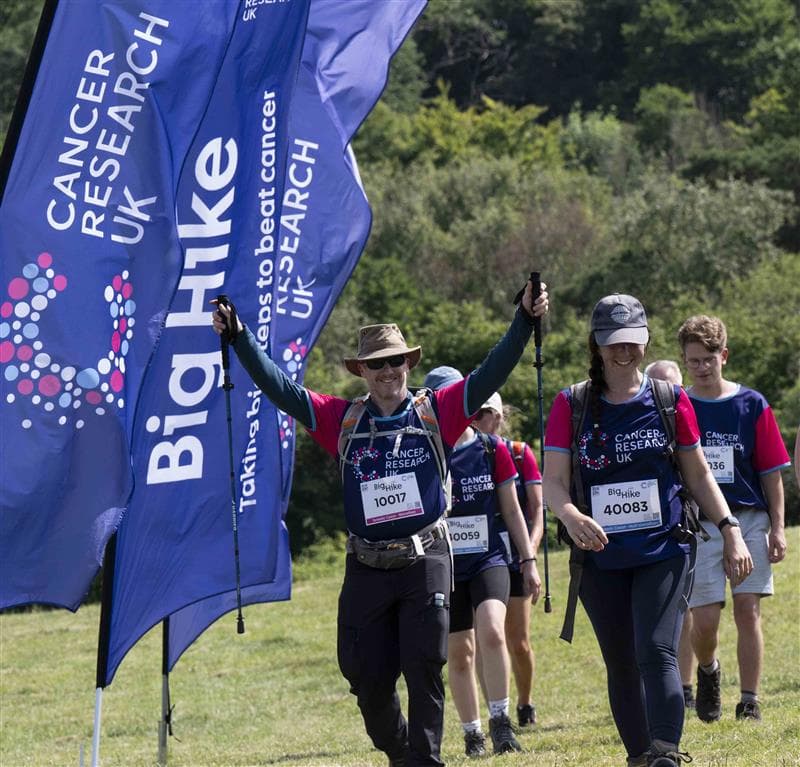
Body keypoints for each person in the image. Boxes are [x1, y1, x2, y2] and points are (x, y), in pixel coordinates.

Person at [212, 279, 548, 767]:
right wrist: (240, 336)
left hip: (426, 558)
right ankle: (401, 750)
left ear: (408, 364)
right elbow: (279, 388)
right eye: (377, 364)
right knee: (364, 678)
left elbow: (493, 367)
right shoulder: (341, 420)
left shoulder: (440, 410)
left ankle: (425, 760)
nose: (388, 371)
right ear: (362, 371)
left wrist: (524, 318)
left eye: (396, 361)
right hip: (366, 564)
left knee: (425, 665)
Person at [543, 294, 752, 767]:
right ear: (596, 346)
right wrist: (572, 517)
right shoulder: (571, 404)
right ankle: (640, 756)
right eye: (613, 343)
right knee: (621, 661)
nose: (624, 352)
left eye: (633, 342)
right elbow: (553, 484)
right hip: (599, 555)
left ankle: (665, 753)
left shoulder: (669, 399)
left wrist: (730, 527)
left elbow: (697, 475)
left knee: (656, 649)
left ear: (645, 342)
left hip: (663, 548)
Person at [677, 315, 791, 723]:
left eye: (709, 359)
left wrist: (777, 527)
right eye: (694, 361)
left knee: (747, 609)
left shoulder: (752, 404)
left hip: (750, 519)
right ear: (684, 362)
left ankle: (750, 699)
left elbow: (771, 472)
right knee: (704, 621)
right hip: (702, 526)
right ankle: (708, 670)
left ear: (723, 355)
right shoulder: (679, 404)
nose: (703, 367)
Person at [423, 367, 536, 757]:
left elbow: (512, 509)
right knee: (460, 652)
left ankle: (501, 722)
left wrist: (529, 559)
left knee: (492, 630)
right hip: (445, 565)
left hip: (489, 558)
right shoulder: (425, 453)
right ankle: (472, 734)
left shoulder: (492, 449)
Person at [472, 392, 543, 728]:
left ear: (499, 417)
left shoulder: (517, 453)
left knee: (518, 641)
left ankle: (525, 703)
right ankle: (495, 714)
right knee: (486, 637)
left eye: (486, 413)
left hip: (514, 557)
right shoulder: (462, 453)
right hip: (479, 560)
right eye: (473, 413)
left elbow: (536, 511)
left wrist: (529, 554)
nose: (478, 419)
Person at [645, 361, 697, 711]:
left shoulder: (688, 413)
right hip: (641, 535)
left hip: (683, 527)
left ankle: (687, 683)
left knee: (685, 608)